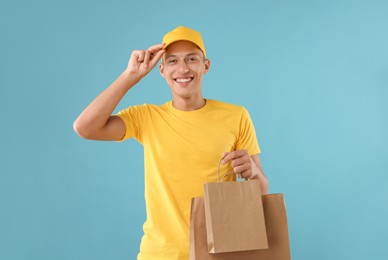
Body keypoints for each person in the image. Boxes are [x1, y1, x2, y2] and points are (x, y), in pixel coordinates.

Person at [73, 26, 269, 260]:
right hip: (160, 254)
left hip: (219, 253)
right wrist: (130, 77)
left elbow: (262, 191)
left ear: (205, 66)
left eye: (192, 59)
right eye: (173, 61)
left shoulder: (236, 116)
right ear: (162, 70)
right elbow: (85, 127)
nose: (183, 68)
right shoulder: (146, 117)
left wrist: (254, 172)